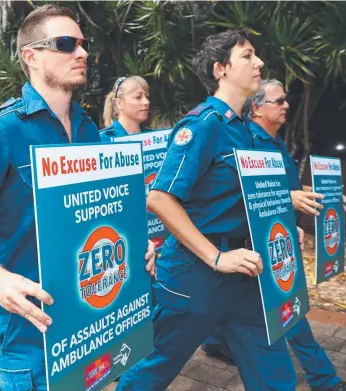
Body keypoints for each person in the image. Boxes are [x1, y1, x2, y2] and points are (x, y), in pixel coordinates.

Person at [0, 6, 155, 390]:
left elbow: (96, 214)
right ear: (31, 56)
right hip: (27, 324)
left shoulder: (89, 129)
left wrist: (138, 245)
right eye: (67, 44)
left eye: (83, 45)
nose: (82, 53)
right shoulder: (1, 130)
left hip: (86, 310)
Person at [117, 30, 302, 391]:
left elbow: (243, 198)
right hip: (196, 275)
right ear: (221, 69)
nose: (259, 62)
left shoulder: (245, 130)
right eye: (247, 56)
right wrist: (216, 257)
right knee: (151, 370)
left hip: (246, 269)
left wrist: (279, 221)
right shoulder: (203, 125)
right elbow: (159, 199)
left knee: (275, 372)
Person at [201, 79, 346, 391]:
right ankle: (324, 379)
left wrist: (321, 195)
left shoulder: (275, 141)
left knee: (257, 308)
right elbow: (245, 196)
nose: (286, 105)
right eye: (278, 101)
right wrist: (288, 200)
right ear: (256, 108)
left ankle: (215, 340)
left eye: (285, 100)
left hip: (276, 238)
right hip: (259, 244)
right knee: (290, 309)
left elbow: (285, 189)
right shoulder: (247, 143)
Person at [100, 75, 151, 141]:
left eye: (147, 97)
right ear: (119, 103)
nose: (146, 102)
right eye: (138, 97)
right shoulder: (102, 140)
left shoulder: (155, 137)